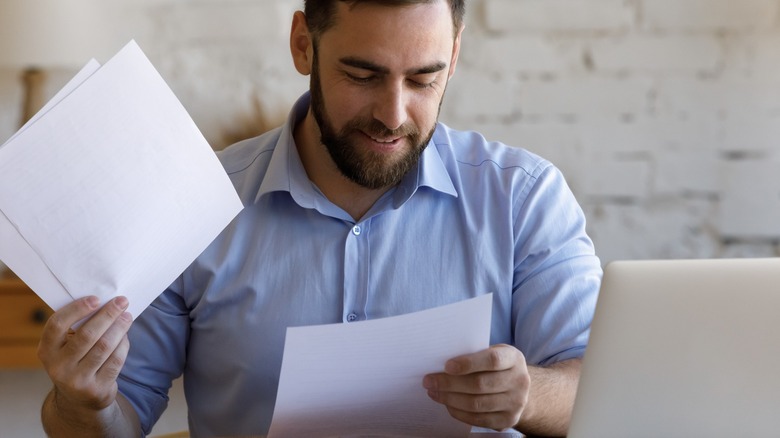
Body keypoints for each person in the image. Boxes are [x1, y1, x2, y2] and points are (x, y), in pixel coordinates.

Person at [38, 0, 602, 436]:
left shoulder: (524, 199)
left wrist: (527, 396)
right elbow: (113, 423)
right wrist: (80, 401)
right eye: (362, 75)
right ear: (303, 45)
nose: (393, 114)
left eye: (424, 79)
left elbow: (600, 391)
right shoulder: (196, 205)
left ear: (455, 54)